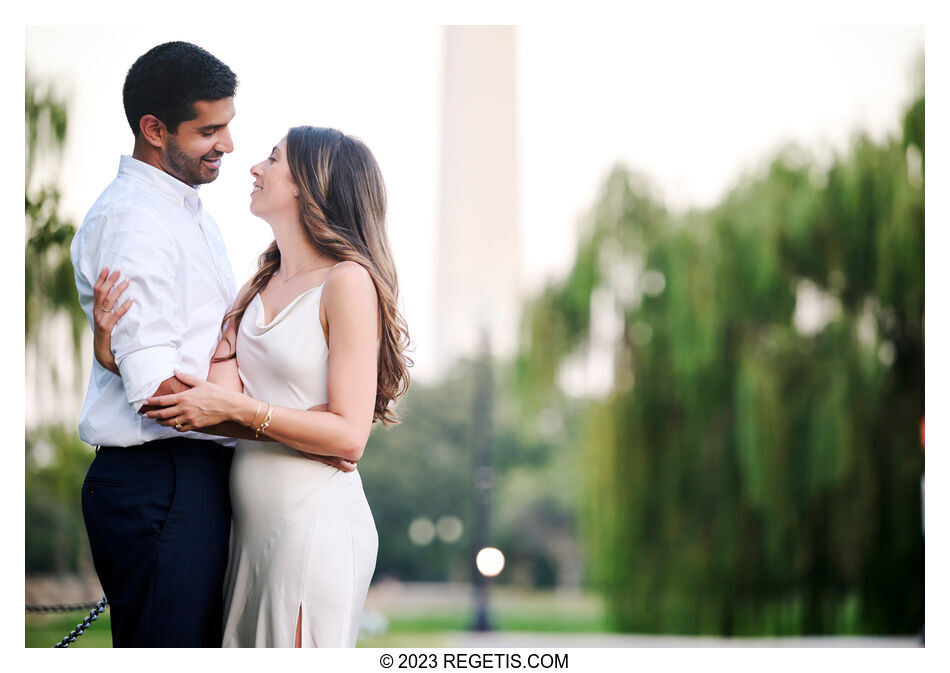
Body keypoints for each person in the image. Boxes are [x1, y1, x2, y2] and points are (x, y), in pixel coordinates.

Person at [93, 125, 411, 647]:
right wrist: (114, 359)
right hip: (247, 526)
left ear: (312, 184)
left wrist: (244, 411)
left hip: (312, 520)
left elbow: (350, 438)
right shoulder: (256, 286)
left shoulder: (348, 282)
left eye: (273, 159)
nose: (255, 168)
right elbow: (207, 407)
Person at [70, 41, 240, 647]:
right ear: (154, 129)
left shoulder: (188, 214)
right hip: (160, 481)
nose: (227, 144)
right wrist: (296, 429)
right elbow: (159, 395)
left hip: (188, 476)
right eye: (210, 129)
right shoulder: (135, 222)